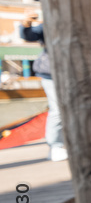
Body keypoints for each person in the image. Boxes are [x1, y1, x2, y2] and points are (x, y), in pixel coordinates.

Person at [19, 11, 66, 161]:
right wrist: (25, 23)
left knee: (77, 107)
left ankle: (72, 143)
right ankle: (55, 146)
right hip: (51, 74)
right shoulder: (48, 25)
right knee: (57, 109)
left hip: (74, 73)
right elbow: (28, 35)